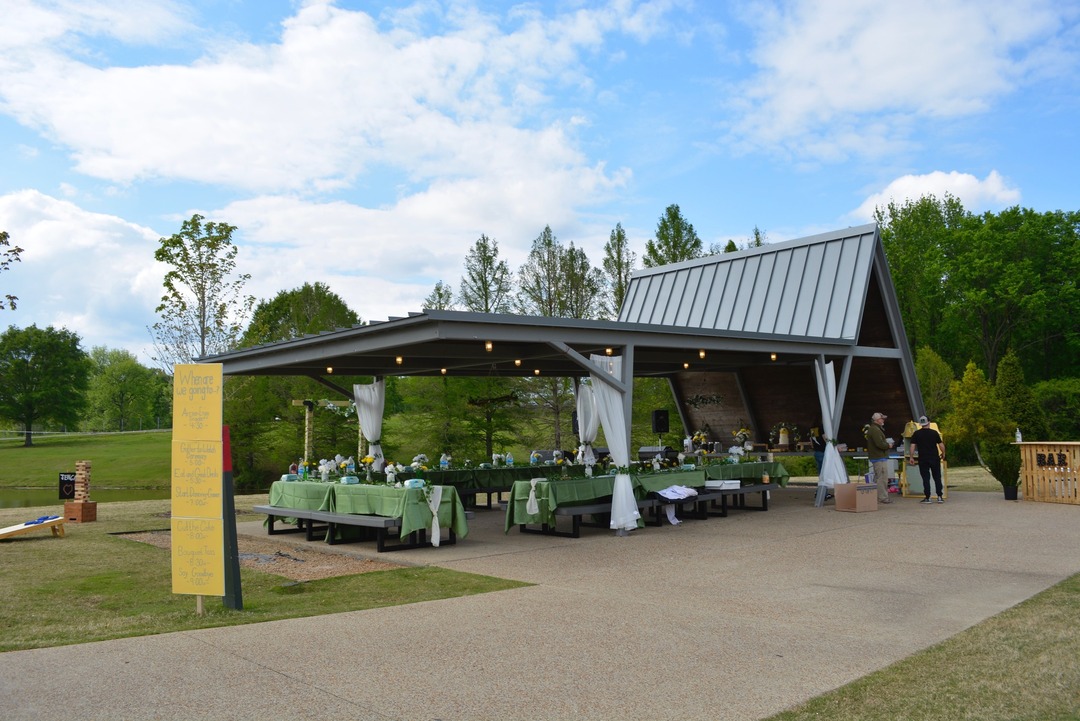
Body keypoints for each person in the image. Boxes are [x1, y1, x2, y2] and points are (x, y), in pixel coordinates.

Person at [910, 415, 946, 504]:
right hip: (934, 458)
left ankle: (928, 497)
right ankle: (939, 496)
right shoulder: (934, 433)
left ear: (920, 424)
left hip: (923, 458)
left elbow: (912, 446)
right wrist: (943, 453)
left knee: (926, 478)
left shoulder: (916, 434)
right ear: (929, 422)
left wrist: (911, 457)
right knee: (937, 477)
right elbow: (941, 445)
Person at [865, 412, 894, 503]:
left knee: (879, 477)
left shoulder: (873, 429)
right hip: (879, 457)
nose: (883, 420)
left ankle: (877, 496)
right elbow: (879, 444)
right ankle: (883, 497)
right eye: (882, 419)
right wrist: (888, 445)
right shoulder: (876, 430)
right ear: (877, 420)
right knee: (882, 478)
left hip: (877, 457)